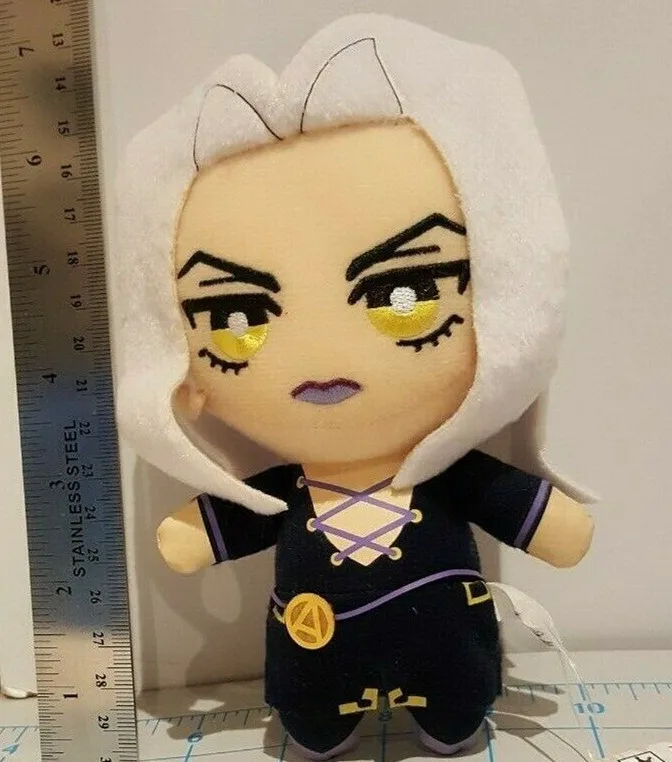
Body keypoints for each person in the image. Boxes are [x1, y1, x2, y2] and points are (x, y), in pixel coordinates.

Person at [114, 15, 594, 760]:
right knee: (313, 714)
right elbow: (219, 529)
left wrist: (552, 522)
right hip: (313, 669)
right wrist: (197, 532)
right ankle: (322, 723)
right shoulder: (284, 492)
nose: (320, 355)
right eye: (238, 317)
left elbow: (535, 519)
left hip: (451, 660)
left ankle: (451, 715)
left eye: (406, 293)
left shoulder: (453, 476)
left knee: (457, 708)